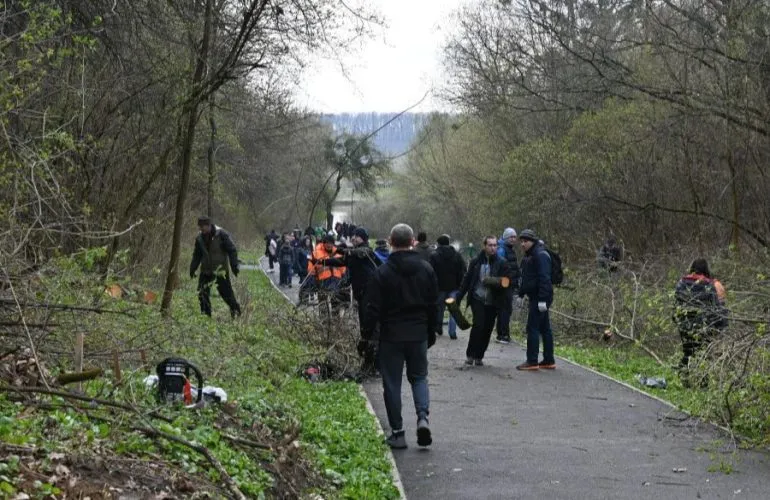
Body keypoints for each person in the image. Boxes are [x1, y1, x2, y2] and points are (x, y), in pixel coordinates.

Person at [362, 223, 438, 449]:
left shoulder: (382, 272)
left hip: (391, 336)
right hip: (418, 333)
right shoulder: (426, 269)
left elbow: (372, 308)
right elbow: (434, 305)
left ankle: (398, 432)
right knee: (420, 377)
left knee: (392, 383)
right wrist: (431, 331)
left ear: (390, 241)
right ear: (413, 241)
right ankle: (422, 417)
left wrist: (366, 335)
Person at [456, 236, 514, 366]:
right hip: (478, 298)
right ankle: (470, 355)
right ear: (484, 246)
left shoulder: (502, 262)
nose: (493, 248)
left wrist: (493, 281)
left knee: (487, 329)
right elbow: (467, 280)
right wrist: (459, 297)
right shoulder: (476, 262)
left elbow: (507, 282)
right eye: (490, 245)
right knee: (478, 325)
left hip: (494, 301)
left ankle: (479, 356)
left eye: (495, 245)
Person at [674, 258, 728, 370]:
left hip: (684, 324)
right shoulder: (708, 286)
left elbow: (676, 306)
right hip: (703, 326)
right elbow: (715, 309)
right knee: (702, 354)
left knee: (688, 351)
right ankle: (701, 380)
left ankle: (684, 374)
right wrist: (721, 326)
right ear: (706, 269)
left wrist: (677, 320)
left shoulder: (681, 283)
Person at [516, 229, 555, 370]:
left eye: (525, 241)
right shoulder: (531, 255)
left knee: (532, 328)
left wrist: (543, 300)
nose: (522, 244)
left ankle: (532, 360)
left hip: (540, 297)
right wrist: (521, 294)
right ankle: (549, 360)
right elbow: (526, 278)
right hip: (536, 296)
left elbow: (545, 278)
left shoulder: (540, 255)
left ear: (532, 241)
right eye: (521, 241)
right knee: (545, 328)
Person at [190, 216, 241, 318]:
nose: (201, 230)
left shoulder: (222, 234)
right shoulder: (199, 238)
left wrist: (234, 265)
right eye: (199, 228)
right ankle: (206, 316)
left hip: (220, 270)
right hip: (206, 270)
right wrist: (192, 268)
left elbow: (232, 250)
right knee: (202, 293)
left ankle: (235, 309)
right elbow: (197, 255)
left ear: (208, 225)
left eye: (203, 227)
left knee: (226, 294)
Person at [429, 234, 467, 339]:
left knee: (439, 308)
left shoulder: (434, 256)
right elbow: (463, 270)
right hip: (454, 287)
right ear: (448, 243)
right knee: (453, 310)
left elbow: (430, 272)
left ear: (438, 244)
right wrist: (460, 284)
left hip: (439, 288)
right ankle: (452, 332)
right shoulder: (457, 255)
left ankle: (439, 327)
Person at [495, 227, 521, 344]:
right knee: (505, 309)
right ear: (506, 237)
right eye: (511, 237)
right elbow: (500, 267)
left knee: (504, 309)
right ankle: (503, 335)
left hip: (510, 284)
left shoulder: (510, 249)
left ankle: (502, 334)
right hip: (505, 284)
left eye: (515, 237)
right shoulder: (502, 249)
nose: (513, 239)